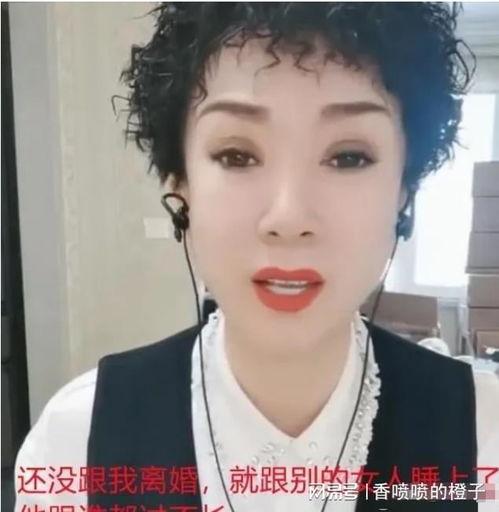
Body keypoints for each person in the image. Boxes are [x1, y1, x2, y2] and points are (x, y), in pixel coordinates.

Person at [14, 3, 499, 512]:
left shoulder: (482, 434)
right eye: (237, 155)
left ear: (404, 189)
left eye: (348, 157)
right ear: (180, 183)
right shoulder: (76, 441)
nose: (288, 218)